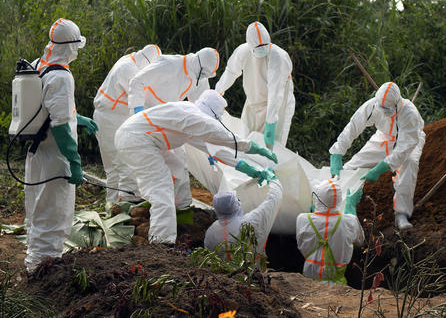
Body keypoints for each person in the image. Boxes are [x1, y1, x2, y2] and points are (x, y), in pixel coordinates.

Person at [114, 90, 277, 244]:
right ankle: (162, 243)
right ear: (212, 111)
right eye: (220, 114)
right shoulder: (192, 116)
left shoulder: (190, 119)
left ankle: (178, 216)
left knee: (177, 168)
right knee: (161, 190)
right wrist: (254, 147)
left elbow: (216, 150)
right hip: (137, 141)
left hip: (143, 139)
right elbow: (222, 136)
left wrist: (250, 169)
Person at [24, 18, 98, 273]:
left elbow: (45, 109)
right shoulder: (62, 77)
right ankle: (45, 269)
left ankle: (34, 261)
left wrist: (78, 118)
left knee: (37, 207)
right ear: (70, 47)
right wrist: (74, 161)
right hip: (56, 156)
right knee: (54, 212)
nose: (76, 51)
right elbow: (59, 124)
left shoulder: (38, 65)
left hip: (36, 151)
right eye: (76, 47)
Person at [126, 47, 220, 210]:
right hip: (146, 115)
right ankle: (136, 202)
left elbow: (204, 109)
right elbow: (137, 82)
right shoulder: (168, 64)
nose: (204, 78)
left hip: (168, 118)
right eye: (203, 74)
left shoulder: (199, 76)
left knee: (179, 160)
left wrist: (211, 145)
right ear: (199, 64)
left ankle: (181, 207)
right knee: (148, 160)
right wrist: (137, 111)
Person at [329, 82, 425, 230]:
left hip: (410, 141)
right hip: (383, 137)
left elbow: (403, 149)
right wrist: (337, 152)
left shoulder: (409, 113)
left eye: (387, 109)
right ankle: (330, 199)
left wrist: (381, 168)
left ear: (397, 104)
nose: (383, 112)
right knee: (353, 165)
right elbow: (353, 126)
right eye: (381, 108)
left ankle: (401, 214)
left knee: (409, 164)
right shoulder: (373, 105)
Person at [93, 44, 161, 203]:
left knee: (113, 168)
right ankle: (126, 205)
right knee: (124, 163)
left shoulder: (127, 59)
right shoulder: (130, 70)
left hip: (107, 115)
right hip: (111, 118)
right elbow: (143, 97)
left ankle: (112, 205)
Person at [214, 22, 295, 148]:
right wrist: (218, 93)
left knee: (274, 145)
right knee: (247, 138)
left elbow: (276, 92)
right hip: (254, 100)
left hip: (277, 105)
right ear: (250, 45)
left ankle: (270, 166)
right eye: (258, 47)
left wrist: (271, 122)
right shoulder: (243, 51)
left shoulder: (278, 57)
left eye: (264, 45)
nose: (262, 49)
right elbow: (230, 72)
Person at [295, 180, 364, 284]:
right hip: (337, 287)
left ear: (317, 199)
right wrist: (351, 209)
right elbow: (360, 241)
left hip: (308, 285)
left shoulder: (303, 219)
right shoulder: (349, 222)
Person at [204, 176, 283, 257]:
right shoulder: (251, 222)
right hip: (253, 268)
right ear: (236, 205)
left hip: (222, 269)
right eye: (237, 200)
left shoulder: (211, 231)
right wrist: (273, 179)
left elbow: (210, 255)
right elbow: (274, 199)